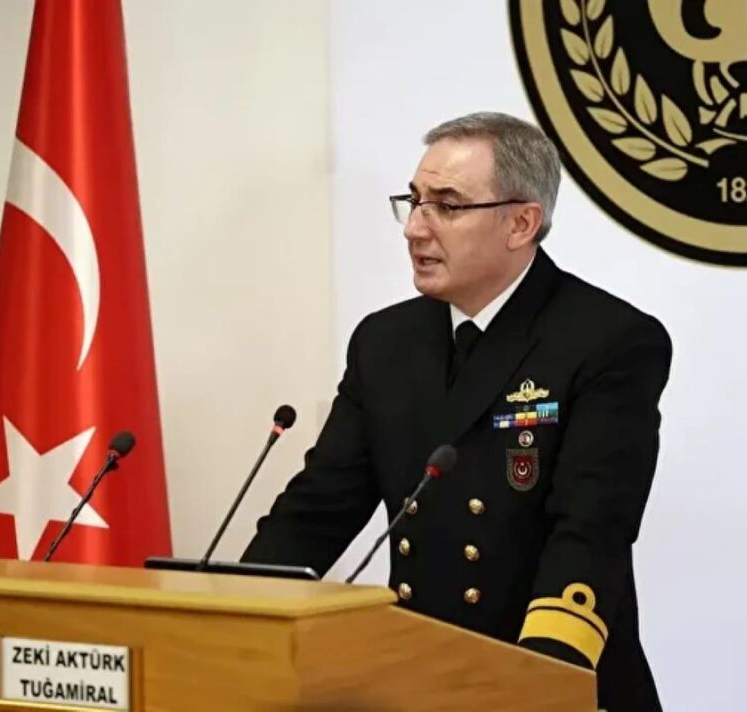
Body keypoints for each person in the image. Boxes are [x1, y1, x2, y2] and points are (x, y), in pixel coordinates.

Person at [241, 111, 671, 711]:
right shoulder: (384, 342)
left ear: (521, 223)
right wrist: (240, 618)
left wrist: (542, 677)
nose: (415, 228)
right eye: (414, 202)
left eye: (446, 206)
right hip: (421, 678)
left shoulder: (608, 340)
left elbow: (590, 528)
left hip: (547, 680)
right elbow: (318, 510)